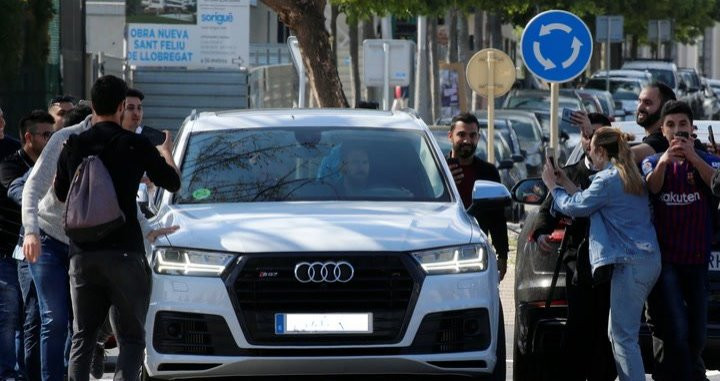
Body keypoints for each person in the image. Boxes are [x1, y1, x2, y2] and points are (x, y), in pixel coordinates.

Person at [53, 75, 181, 381]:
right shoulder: (136, 144)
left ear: (93, 105)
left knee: (83, 335)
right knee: (131, 337)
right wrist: (164, 153)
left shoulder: (74, 143)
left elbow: (60, 193)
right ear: (122, 106)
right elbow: (172, 182)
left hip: (83, 254)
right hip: (126, 253)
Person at [541, 127, 661, 381]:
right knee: (619, 334)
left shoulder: (608, 180)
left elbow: (576, 207)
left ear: (602, 151)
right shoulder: (628, 175)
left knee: (622, 337)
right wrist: (566, 182)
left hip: (630, 263)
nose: (589, 154)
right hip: (644, 261)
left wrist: (553, 187)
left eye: (592, 149)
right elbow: (589, 200)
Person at [532, 112, 616, 381]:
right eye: (588, 135)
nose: (593, 142)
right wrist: (543, 233)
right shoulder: (569, 172)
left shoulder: (620, 173)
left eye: (600, 135)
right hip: (578, 264)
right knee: (579, 328)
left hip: (614, 266)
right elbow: (548, 210)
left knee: (608, 331)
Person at [641, 101, 720, 381]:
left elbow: (716, 184)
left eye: (683, 125)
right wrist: (665, 161)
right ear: (663, 131)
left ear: (692, 128)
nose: (677, 131)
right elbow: (652, 186)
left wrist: (693, 158)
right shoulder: (653, 161)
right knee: (676, 327)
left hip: (698, 260)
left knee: (698, 333)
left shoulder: (708, 160)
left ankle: (691, 371)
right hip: (666, 262)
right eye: (671, 125)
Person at [0, 110, 55, 380]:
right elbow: (21, 195)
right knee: (14, 317)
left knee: (39, 319)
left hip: (48, 250)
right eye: (46, 135)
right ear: (29, 137)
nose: (51, 140)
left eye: (54, 134)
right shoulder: (11, 163)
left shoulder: (57, 161)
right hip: (12, 250)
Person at [447, 112, 509, 281]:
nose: (467, 140)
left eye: (472, 135)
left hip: (477, 250)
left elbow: (497, 218)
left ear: (478, 138)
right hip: (443, 249)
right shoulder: (437, 170)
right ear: (450, 136)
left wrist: (502, 255)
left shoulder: (488, 172)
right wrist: (444, 181)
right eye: (461, 135)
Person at [631, 82, 676, 164]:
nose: (640, 107)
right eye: (639, 101)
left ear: (665, 109)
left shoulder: (663, 140)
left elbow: (625, 157)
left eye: (647, 103)